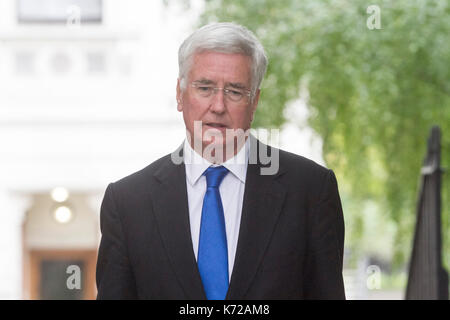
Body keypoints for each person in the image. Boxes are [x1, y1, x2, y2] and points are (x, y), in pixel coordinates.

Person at [96, 22, 345, 300]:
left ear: (254, 103)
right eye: (204, 88)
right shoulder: (128, 202)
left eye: (235, 91)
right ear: (180, 94)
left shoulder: (311, 191)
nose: (218, 106)